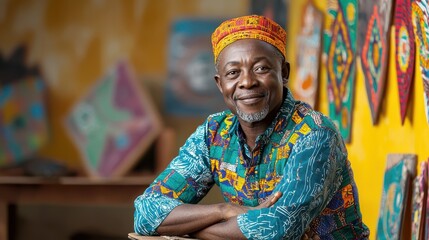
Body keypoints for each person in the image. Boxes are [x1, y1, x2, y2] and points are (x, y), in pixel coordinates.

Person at [134, 15, 369, 240]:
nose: (247, 82)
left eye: (261, 69)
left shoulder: (314, 134)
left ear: (284, 73)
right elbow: (146, 212)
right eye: (233, 73)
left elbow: (276, 229)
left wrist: (187, 230)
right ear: (220, 83)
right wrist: (223, 211)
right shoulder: (214, 133)